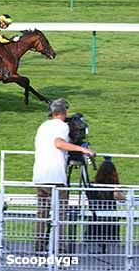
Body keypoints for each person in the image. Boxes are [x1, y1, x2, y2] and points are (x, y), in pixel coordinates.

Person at [32, 98, 95, 252]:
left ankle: (38, 248)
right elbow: (58, 143)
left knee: (42, 213)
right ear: (63, 112)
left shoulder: (43, 126)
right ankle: (61, 249)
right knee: (61, 214)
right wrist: (83, 150)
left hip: (40, 176)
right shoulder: (61, 126)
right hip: (55, 177)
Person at [85, 158, 125, 252]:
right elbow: (122, 199)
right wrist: (117, 188)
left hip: (94, 218)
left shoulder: (92, 185)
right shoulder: (113, 187)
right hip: (110, 219)